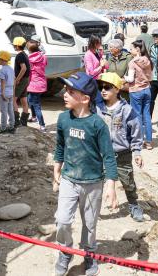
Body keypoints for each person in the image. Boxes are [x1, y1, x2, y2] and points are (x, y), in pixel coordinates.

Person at [53, 72, 118, 276]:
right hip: (69, 179)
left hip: (92, 183)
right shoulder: (63, 118)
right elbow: (60, 145)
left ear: (85, 98)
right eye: (66, 89)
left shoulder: (97, 124)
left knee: (89, 224)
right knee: (62, 220)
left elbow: (108, 156)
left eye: (71, 91)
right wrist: (57, 166)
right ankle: (66, 251)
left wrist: (111, 185)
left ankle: (89, 253)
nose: (65, 94)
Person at [98, 72, 145, 222]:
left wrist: (137, 151)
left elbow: (136, 131)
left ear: (117, 89)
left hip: (122, 154)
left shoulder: (127, 110)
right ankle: (94, 204)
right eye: (101, 87)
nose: (103, 90)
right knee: (98, 180)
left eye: (107, 87)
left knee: (128, 181)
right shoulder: (97, 108)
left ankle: (133, 204)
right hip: (102, 153)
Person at [125, 40, 153, 149]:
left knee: (137, 116)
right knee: (147, 115)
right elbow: (150, 76)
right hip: (147, 89)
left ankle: (139, 140)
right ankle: (149, 141)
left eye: (131, 48)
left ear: (137, 49)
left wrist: (124, 78)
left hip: (136, 90)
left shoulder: (132, 62)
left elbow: (131, 78)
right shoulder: (147, 60)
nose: (130, 50)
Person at [27, 38, 48, 132]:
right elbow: (45, 64)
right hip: (42, 83)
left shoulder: (28, 59)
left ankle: (42, 125)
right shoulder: (43, 57)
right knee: (30, 100)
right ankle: (34, 117)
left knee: (36, 105)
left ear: (29, 50)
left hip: (33, 84)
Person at [84, 35, 108, 113]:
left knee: (101, 100)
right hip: (93, 82)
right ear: (95, 43)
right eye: (99, 42)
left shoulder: (97, 53)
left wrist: (102, 55)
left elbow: (106, 66)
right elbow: (91, 72)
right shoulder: (88, 55)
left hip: (100, 80)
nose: (101, 43)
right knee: (98, 101)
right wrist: (101, 66)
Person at [106, 39, 133, 104]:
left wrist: (121, 81)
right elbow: (108, 72)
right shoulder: (109, 58)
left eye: (111, 47)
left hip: (124, 89)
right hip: (113, 89)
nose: (109, 49)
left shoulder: (128, 57)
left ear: (117, 48)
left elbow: (130, 72)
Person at [12, 37, 31, 127]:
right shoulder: (25, 54)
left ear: (17, 46)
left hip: (22, 80)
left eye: (14, 45)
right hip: (26, 79)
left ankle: (16, 121)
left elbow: (24, 68)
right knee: (23, 100)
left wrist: (17, 79)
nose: (13, 46)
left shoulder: (19, 55)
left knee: (13, 99)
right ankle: (24, 122)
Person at [0, 50, 16, 134]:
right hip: (11, 92)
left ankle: (3, 127)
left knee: (3, 111)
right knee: (10, 110)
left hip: (4, 93)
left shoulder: (2, 70)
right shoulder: (11, 69)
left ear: (2, 59)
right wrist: (13, 92)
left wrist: (3, 94)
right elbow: (14, 80)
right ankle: (12, 126)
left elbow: (3, 83)